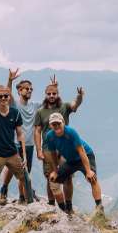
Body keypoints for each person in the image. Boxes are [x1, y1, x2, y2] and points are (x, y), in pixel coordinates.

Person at [34, 75, 84, 204]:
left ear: (58, 94)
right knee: (50, 177)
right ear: (45, 95)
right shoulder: (40, 112)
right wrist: (39, 150)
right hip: (47, 148)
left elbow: (75, 105)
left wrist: (79, 97)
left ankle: (68, 206)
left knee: (67, 177)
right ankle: (51, 204)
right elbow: (37, 131)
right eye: (49, 93)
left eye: (54, 93)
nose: (51, 95)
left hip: (65, 147)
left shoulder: (64, 107)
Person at [45, 112, 103, 215]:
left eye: (58, 123)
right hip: (71, 160)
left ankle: (99, 209)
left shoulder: (71, 132)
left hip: (85, 155)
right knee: (55, 179)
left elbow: (81, 151)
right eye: (54, 124)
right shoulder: (50, 136)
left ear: (63, 123)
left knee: (92, 178)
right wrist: (55, 171)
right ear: (50, 125)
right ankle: (68, 209)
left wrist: (89, 171)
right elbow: (53, 154)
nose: (57, 126)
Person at [0, 68, 40, 205]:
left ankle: (20, 194)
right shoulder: (15, 104)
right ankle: (18, 195)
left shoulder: (34, 106)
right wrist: (10, 80)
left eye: (31, 89)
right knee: (17, 170)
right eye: (26, 89)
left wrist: (55, 89)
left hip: (30, 145)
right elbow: (7, 94)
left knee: (23, 170)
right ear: (19, 91)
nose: (29, 91)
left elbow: (50, 101)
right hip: (15, 143)